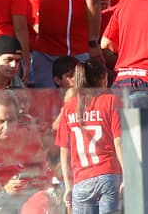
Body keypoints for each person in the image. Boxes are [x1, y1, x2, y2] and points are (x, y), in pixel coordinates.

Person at [55, 58, 122, 212]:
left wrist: (68, 185)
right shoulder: (111, 101)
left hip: (81, 179)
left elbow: (64, 151)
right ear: (103, 78)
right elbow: (119, 142)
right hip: (108, 173)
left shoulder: (69, 107)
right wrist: (127, 173)